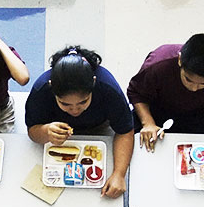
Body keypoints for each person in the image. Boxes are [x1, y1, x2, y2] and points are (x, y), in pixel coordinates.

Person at [25, 46, 134, 198]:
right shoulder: (41, 89)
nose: (75, 110)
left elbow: (125, 130)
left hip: (99, 129)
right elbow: (32, 131)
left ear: (93, 84)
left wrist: (119, 174)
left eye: (83, 102)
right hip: (56, 139)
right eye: (65, 104)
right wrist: (45, 132)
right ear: (51, 88)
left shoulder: (108, 88)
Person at [126, 33, 204, 150]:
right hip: (156, 112)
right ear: (179, 60)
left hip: (198, 117)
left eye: (203, 84)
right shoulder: (158, 65)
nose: (194, 88)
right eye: (188, 80)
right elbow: (137, 93)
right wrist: (148, 123)